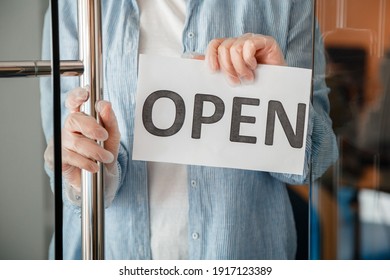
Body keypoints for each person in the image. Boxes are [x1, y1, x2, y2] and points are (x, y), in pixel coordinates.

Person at [41, 0, 338, 260]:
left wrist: (278, 93)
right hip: (111, 253)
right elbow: (67, 160)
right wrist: (85, 175)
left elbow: (315, 159)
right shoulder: (75, 6)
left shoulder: (287, 3)